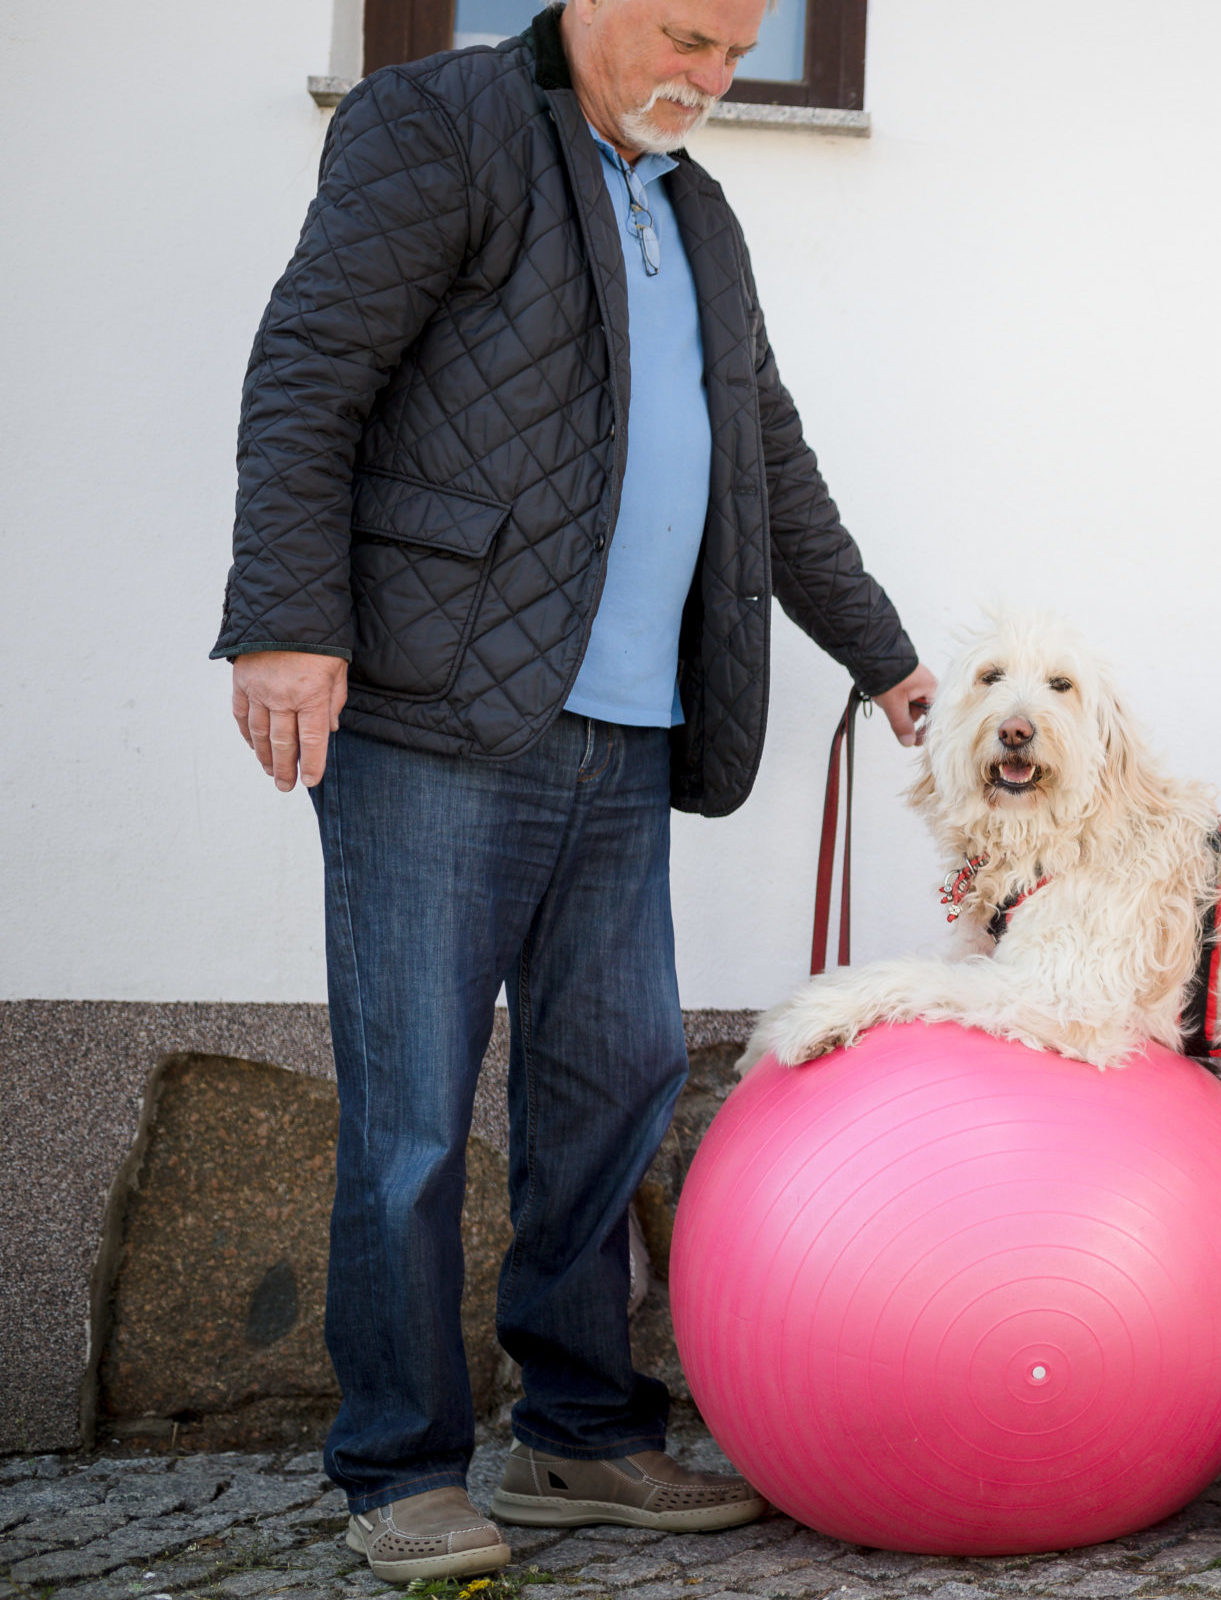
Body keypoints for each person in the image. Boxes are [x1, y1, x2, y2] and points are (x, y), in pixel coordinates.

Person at [213, 0, 935, 1582]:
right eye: (692, 33)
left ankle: (579, 1437)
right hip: (430, 714)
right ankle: (398, 1467)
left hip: (627, 730)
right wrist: (283, 624)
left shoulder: (699, 208)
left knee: (614, 1082)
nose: (717, 77)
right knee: (411, 1114)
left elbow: (765, 454)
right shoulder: (441, 124)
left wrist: (886, 659)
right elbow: (310, 372)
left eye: (744, 51)